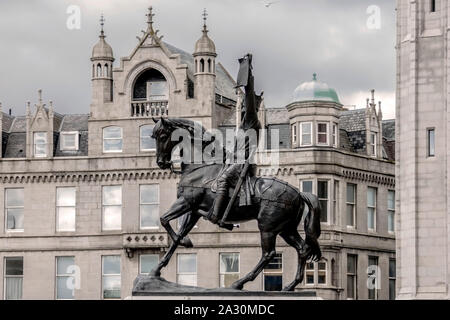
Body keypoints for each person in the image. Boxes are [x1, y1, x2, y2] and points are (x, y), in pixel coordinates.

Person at [209, 54, 262, 229]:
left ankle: (217, 217)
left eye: (248, 107)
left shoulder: (252, 120)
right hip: (237, 160)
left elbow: (249, 97)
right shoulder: (244, 125)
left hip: (243, 164)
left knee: (224, 179)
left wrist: (248, 73)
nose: (246, 109)